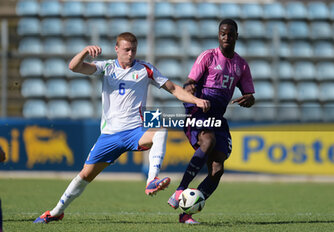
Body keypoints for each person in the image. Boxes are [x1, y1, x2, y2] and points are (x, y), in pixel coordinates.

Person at [34, 32, 210, 224]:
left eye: (133, 49)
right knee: (85, 175)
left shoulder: (145, 69)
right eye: (126, 49)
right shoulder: (107, 67)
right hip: (110, 134)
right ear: (116, 49)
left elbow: (174, 89)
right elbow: (74, 67)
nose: (130, 53)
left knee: (160, 129)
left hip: (136, 130)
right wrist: (85, 51)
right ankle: (56, 211)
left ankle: (152, 179)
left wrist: (196, 100)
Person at [167, 19, 255, 224]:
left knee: (217, 169)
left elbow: (250, 96)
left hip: (217, 117)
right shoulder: (208, 56)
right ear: (219, 35)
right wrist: (194, 96)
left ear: (236, 36)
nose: (226, 37)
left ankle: (186, 214)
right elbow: (189, 83)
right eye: (223, 34)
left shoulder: (241, 65)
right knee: (208, 141)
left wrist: (249, 99)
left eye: (230, 34)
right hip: (198, 109)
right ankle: (180, 190)